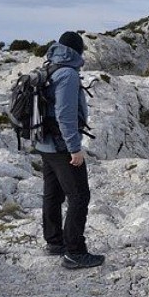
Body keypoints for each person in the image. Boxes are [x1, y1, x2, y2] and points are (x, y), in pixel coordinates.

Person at [35, 31, 104, 269]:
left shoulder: (50, 66)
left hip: (44, 143)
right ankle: (75, 252)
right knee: (79, 196)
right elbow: (65, 115)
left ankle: (54, 242)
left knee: (52, 193)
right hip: (61, 145)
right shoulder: (68, 74)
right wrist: (75, 149)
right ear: (78, 52)